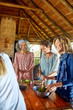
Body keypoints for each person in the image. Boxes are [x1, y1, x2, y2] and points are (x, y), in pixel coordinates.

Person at [45, 36, 73, 108]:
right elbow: (61, 76)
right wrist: (48, 77)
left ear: (64, 43)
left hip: (67, 95)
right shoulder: (62, 57)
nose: (56, 46)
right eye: (55, 44)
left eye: (58, 43)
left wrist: (55, 85)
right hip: (59, 92)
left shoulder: (71, 57)